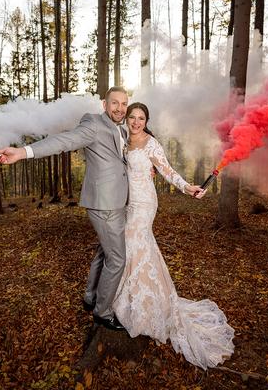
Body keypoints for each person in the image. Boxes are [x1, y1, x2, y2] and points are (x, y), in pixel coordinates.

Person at [0, 87, 140, 330]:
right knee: (118, 259)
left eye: (124, 104)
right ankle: (103, 312)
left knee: (105, 252)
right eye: (115, 103)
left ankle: (90, 297)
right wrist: (23, 152)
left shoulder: (121, 129)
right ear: (104, 104)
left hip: (117, 201)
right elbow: (63, 141)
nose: (120, 108)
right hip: (104, 204)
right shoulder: (93, 124)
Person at [111, 102, 235, 369]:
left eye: (141, 118)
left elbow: (167, 171)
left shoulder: (151, 144)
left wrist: (187, 187)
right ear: (126, 119)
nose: (136, 122)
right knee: (137, 249)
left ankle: (142, 307)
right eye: (132, 117)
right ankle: (140, 298)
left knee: (134, 244)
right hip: (126, 203)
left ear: (146, 121)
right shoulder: (122, 139)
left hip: (144, 203)